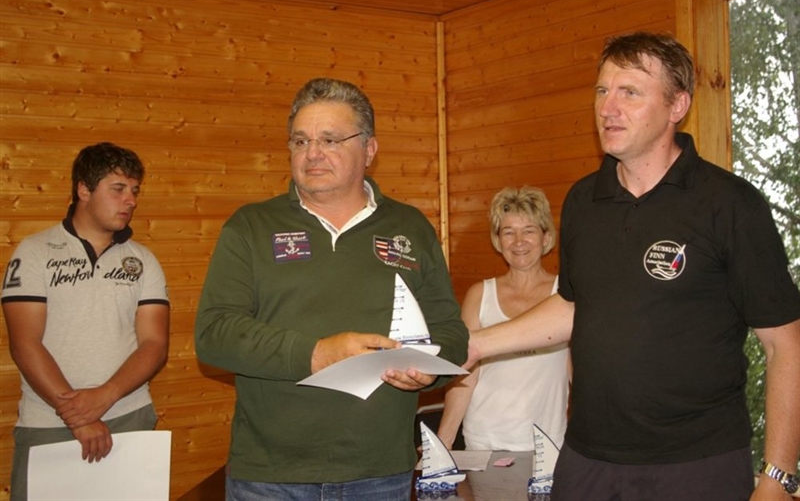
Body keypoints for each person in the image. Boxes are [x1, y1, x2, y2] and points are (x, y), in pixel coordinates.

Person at [467, 32, 800, 501]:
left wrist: (778, 478)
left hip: (697, 463)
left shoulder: (730, 204)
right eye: (602, 91)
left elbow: (785, 345)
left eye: (630, 92)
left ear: (677, 105)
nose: (608, 108)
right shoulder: (583, 200)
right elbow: (574, 306)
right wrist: (476, 344)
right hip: (587, 459)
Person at [194, 77, 469, 500]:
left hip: (380, 473)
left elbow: (450, 331)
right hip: (270, 478)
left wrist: (429, 371)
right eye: (300, 141)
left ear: (369, 149)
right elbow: (214, 334)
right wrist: (317, 353)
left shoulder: (410, 228)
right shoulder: (250, 226)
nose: (312, 153)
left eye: (329, 139)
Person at [1, 142, 170, 501]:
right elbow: (25, 344)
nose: (130, 200)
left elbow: (154, 344)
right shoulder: (34, 252)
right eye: (118, 189)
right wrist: (80, 417)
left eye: (135, 190)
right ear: (83, 189)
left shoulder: (143, 260)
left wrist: (104, 397)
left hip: (129, 417)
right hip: (49, 422)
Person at [438, 186, 569, 452]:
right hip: (484, 440)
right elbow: (465, 375)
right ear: (498, 241)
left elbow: (579, 373)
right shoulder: (480, 295)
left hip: (548, 442)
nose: (519, 241)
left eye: (529, 231)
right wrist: (444, 440)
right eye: (508, 232)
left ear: (546, 237)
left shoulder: (566, 295)